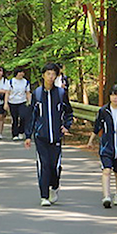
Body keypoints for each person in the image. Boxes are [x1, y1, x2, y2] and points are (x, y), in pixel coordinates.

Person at [25, 63, 73, 207]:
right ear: (43, 75)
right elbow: (32, 115)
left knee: (55, 166)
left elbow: (68, 112)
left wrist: (66, 125)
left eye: (53, 74)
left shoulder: (60, 93)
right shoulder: (37, 93)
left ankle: (54, 187)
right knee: (44, 165)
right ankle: (44, 196)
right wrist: (28, 135)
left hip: (56, 137)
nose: (50, 77)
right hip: (41, 136)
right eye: (48, 74)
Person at [87, 84, 117, 208]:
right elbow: (97, 127)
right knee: (106, 170)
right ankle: (106, 196)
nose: (114, 98)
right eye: (112, 95)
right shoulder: (103, 111)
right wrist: (91, 141)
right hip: (106, 146)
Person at [4, 67, 31, 141]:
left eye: (22, 72)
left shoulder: (25, 82)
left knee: (23, 117)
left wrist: (30, 101)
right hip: (12, 102)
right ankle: (15, 134)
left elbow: (27, 92)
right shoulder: (11, 82)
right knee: (15, 118)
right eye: (20, 72)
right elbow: (7, 93)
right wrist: (5, 103)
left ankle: (21, 131)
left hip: (22, 101)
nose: (21, 74)